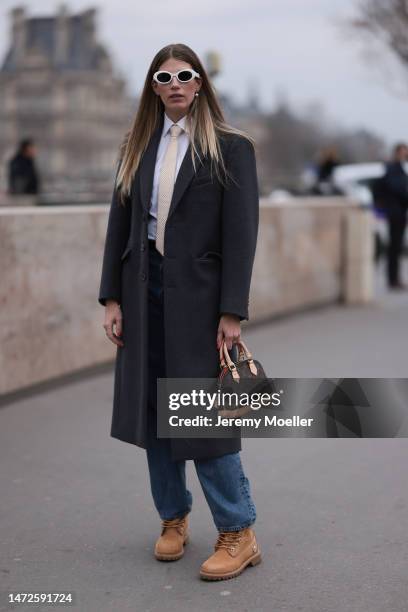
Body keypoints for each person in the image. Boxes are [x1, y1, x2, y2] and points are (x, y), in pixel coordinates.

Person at [98, 43, 261, 581]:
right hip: (144, 294)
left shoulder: (231, 148)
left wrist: (231, 310)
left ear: (200, 84)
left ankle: (239, 532)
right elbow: (119, 227)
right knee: (154, 412)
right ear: (152, 85)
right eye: (163, 76)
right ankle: (173, 518)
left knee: (203, 415)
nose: (174, 83)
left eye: (185, 75)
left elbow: (241, 236)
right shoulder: (137, 145)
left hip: (201, 299)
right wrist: (112, 298)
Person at [382, 143, 408, 289]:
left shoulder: (398, 168)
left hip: (399, 212)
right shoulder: (393, 168)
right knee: (394, 247)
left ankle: (395, 278)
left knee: (396, 247)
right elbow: (397, 189)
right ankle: (393, 280)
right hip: (395, 212)